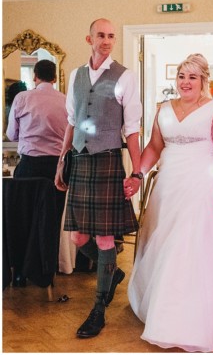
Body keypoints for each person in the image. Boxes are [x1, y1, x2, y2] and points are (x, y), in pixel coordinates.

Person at [126, 54, 213, 351]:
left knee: (187, 247)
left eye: (192, 77)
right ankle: (165, 308)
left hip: (203, 186)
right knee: (165, 243)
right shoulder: (162, 110)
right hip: (169, 187)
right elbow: (154, 148)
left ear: (203, 81)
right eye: (181, 76)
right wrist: (138, 174)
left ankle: (186, 321)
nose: (185, 82)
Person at [53, 18, 142, 339]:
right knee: (78, 238)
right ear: (88, 38)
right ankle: (113, 271)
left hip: (106, 161)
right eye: (101, 35)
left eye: (111, 36)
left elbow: (132, 128)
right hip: (79, 161)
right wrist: (62, 160)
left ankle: (98, 308)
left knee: (105, 240)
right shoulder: (76, 75)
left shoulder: (125, 77)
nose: (106, 41)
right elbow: (72, 122)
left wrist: (137, 170)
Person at [6, 59, 67, 287]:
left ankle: (21, 273)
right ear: (54, 78)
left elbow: (12, 135)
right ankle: (45, 272)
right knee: (49, 222)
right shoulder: (65, 101)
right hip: (55, 169)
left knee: (23, 220)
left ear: (35, 76)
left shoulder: (22, 98)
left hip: (29, 167)